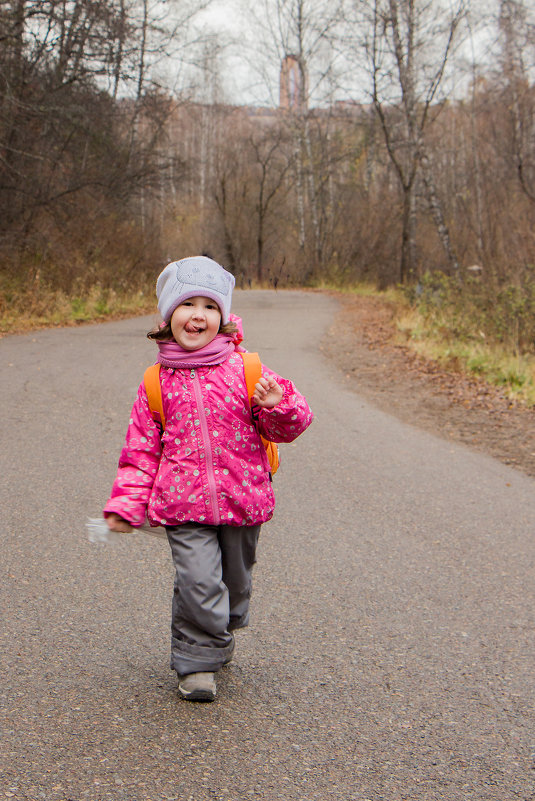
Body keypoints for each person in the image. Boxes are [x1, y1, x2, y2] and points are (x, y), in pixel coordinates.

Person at [104, 256, 313, 702]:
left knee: (234, 587)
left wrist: (278, 404)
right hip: (182, 506)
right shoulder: (156, 382)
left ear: (223, 318)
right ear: (168, 316)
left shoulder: (248, 370)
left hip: (243, 501)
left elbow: (291, 427)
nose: (198, 314)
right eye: (187, 304)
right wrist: (126, 504)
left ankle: (223, 627)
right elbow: (140, 450)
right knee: (199, 581)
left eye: (209, 306)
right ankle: (197, 662)